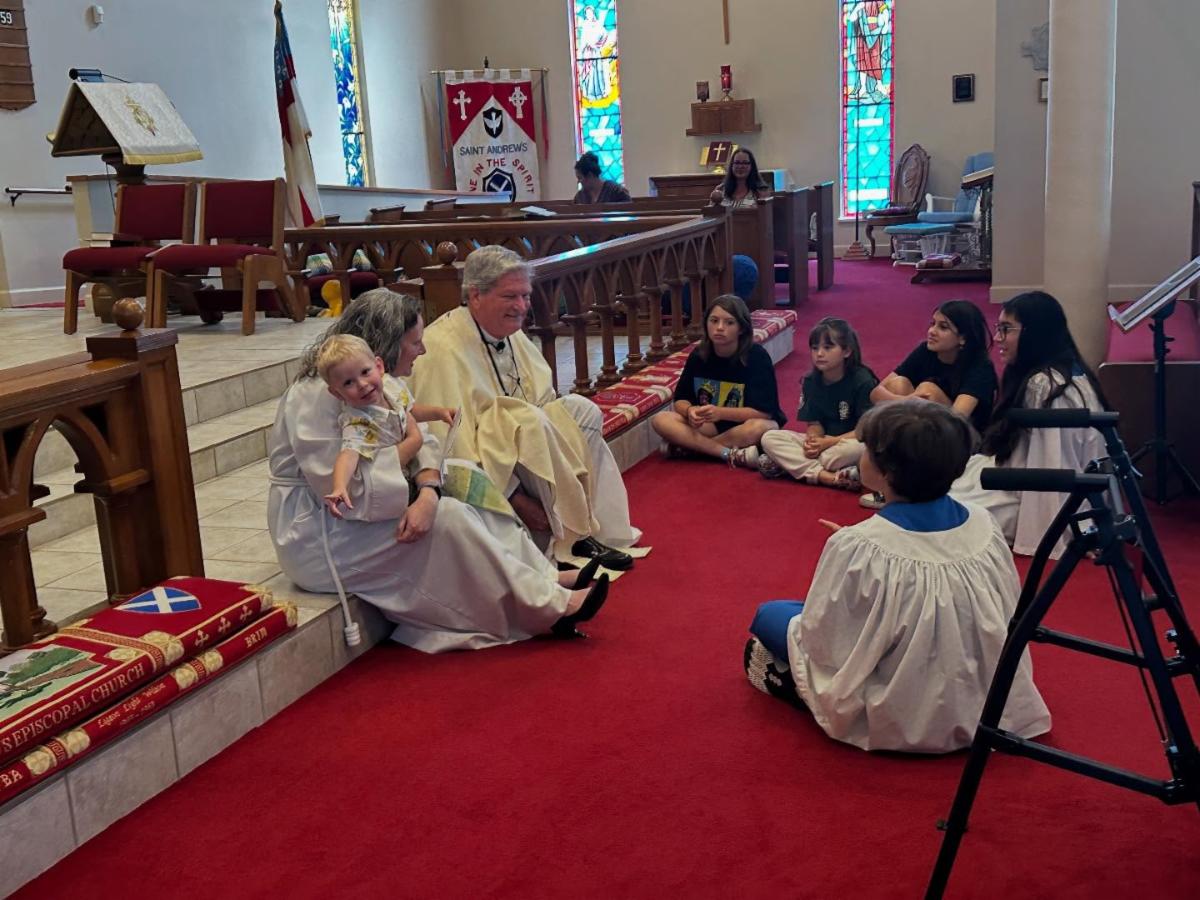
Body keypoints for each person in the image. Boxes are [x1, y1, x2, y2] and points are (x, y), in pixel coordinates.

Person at [267, 289, 610, 652]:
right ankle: (549, 608)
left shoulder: (371, 378)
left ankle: (544, 576)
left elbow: (425, 439)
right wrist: (420, 476)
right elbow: (347, 489)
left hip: (371, 504)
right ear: (389, 344)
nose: (423, 350)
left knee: (468, 479)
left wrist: (428, 491)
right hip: (322, 531)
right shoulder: (318, 395)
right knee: (451, 518)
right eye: (415, 342)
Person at [743, 401, 1051, 753]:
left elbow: (825, 643)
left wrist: (852, 553)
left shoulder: (859, 546)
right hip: (982, 687)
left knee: (770, 614)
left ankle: (798, 687)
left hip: (899, 701)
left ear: (886, 472)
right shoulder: (984, 523)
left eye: (866, 450)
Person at [409, 246, 641, 571]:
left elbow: (543, 398)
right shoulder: (441, 348)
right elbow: (451, 447)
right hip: (491, 470)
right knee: (530, 421)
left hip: (526, 448)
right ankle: (563, 543)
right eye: (510, 297)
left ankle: (590, 528)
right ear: (475, 295)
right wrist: (516, 498)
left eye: (526, 296)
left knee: (581, 411)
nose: (521, 307)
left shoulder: (508, 333)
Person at [950, 290, 1108, 558]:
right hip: (1020, 476)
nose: (997, 338)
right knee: (949, 481)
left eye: (1006, 329)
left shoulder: (1047, 386)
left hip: (1035, 493)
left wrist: (1060, 531)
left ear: (1035, 333)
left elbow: (1054, 466)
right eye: (998, 328)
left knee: (948, 513)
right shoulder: (1059, 373)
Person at [314, 334, 454, 519]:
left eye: (365, 372)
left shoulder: (391, 388)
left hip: (414, 466)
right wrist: (340, 486)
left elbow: (410, 410)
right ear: (337, 393)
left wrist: (439, 413)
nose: (362, 384)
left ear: (379, 366)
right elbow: (348, 455)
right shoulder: (358, 421)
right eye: (348, 383)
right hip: (398, 483)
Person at [651, 294, 784, 467]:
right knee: (661, 419)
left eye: (729, 322)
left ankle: (690, 449)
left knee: (762, 428)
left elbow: (764, 413)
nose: (719, 328)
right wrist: (690, 410)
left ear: (741, 328)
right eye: (714, 321)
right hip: (709, 425)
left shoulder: (757, 357)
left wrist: (721, 413)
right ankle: (726, 453)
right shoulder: (699, 355)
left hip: (742, 425)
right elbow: (681, 399)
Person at [758, 317, 877, 487]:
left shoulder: (863, 381)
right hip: (825, 444)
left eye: (828, 347)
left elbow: (866, 431)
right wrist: (812, 442)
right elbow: (814, 423)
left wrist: (829, 443)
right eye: (815, 348)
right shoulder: (810, 380)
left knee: (856, 449)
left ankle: (790, 465)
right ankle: (826, 476)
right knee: (770, 438)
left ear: (847, 351)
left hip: (849, 442)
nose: (819, 354)